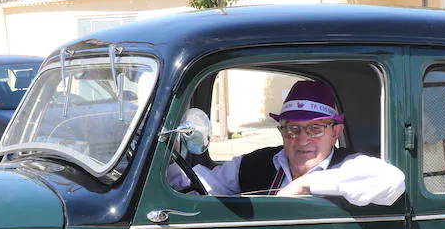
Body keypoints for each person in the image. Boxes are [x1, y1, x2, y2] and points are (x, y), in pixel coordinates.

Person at [168, 81, 405, 206]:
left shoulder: (350, 166)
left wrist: (306, 184)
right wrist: (165, 159)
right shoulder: (256, 163)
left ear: (335, 133)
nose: (302, 139)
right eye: (293, 128)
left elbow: (393, 181)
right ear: (282, 132)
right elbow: (203, 184)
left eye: (315, 128)